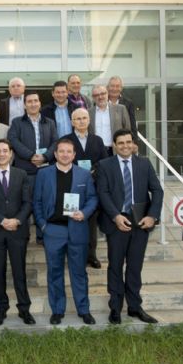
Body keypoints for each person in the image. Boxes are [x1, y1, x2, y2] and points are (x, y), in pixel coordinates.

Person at [97, 129, 163, 325]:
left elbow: (157, 190)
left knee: (135, 267)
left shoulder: (144, 163)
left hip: (140, 222)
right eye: (121, 143)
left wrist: (153, 216)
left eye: (128, 142)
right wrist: (116, 216)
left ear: (133, 144)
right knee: (115, 266)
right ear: (114, 146)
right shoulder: (104, 165)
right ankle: (115, 308)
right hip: (117, 223)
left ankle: (134, 307)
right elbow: (103, 193)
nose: (125, 146)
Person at [32, 138, 98, 326]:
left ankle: (84, 310)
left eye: (69, 151)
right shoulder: (44, 174)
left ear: (74, 155)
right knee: (54, 272)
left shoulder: (84, 175)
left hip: (77, 230)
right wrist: (43, 225)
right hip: (53, 230)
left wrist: (84, 213)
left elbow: (93, 199)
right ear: (55, 154)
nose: (65, 155)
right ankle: (57, 310)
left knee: (79, 272)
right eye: (61, 151)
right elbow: (36, 202)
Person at [0, 139, 35, 326]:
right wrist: (2, 221)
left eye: (5, 150)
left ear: (11, 153)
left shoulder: (22, 175)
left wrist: (17, 220)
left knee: (19, 271)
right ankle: (1, 309)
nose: (2, 154)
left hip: (17, 230)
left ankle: (24, 309)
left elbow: (28, 202)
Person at [60, 108, 108, 269]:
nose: (81, 121)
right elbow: (62, 160)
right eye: (78, 119)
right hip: (71, 186)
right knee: (71, 221)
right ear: (72, 122)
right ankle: (72, 256)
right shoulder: (66, 140)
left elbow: (104, 162)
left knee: (91, 223)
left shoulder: (98, 140)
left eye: (84, 118)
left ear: (89, 120)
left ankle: (91, 255)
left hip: (91, 188)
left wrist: (93, 170)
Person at [7, 92, 58, 243]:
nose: (33, 104)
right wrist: (30, 155)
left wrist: (45, 156)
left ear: (40, 103)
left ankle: (42, 235)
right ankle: (24, 234)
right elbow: (13, 140)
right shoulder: (17, 122)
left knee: (44, 202)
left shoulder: (49, 122)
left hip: (45, 169)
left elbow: (55, 142)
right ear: (24, 105)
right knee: (25, 202)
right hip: (25, 170)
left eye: (36, 101)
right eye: (29, 101)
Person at [88, 85, 131, 156]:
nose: (100, 97)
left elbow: (127, 130)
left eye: (102, 93)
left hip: (115, 150)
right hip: (96, 151)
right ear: (93, 97)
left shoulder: (121, 109)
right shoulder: (88, 112)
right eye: (96, 95)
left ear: (107, 94)